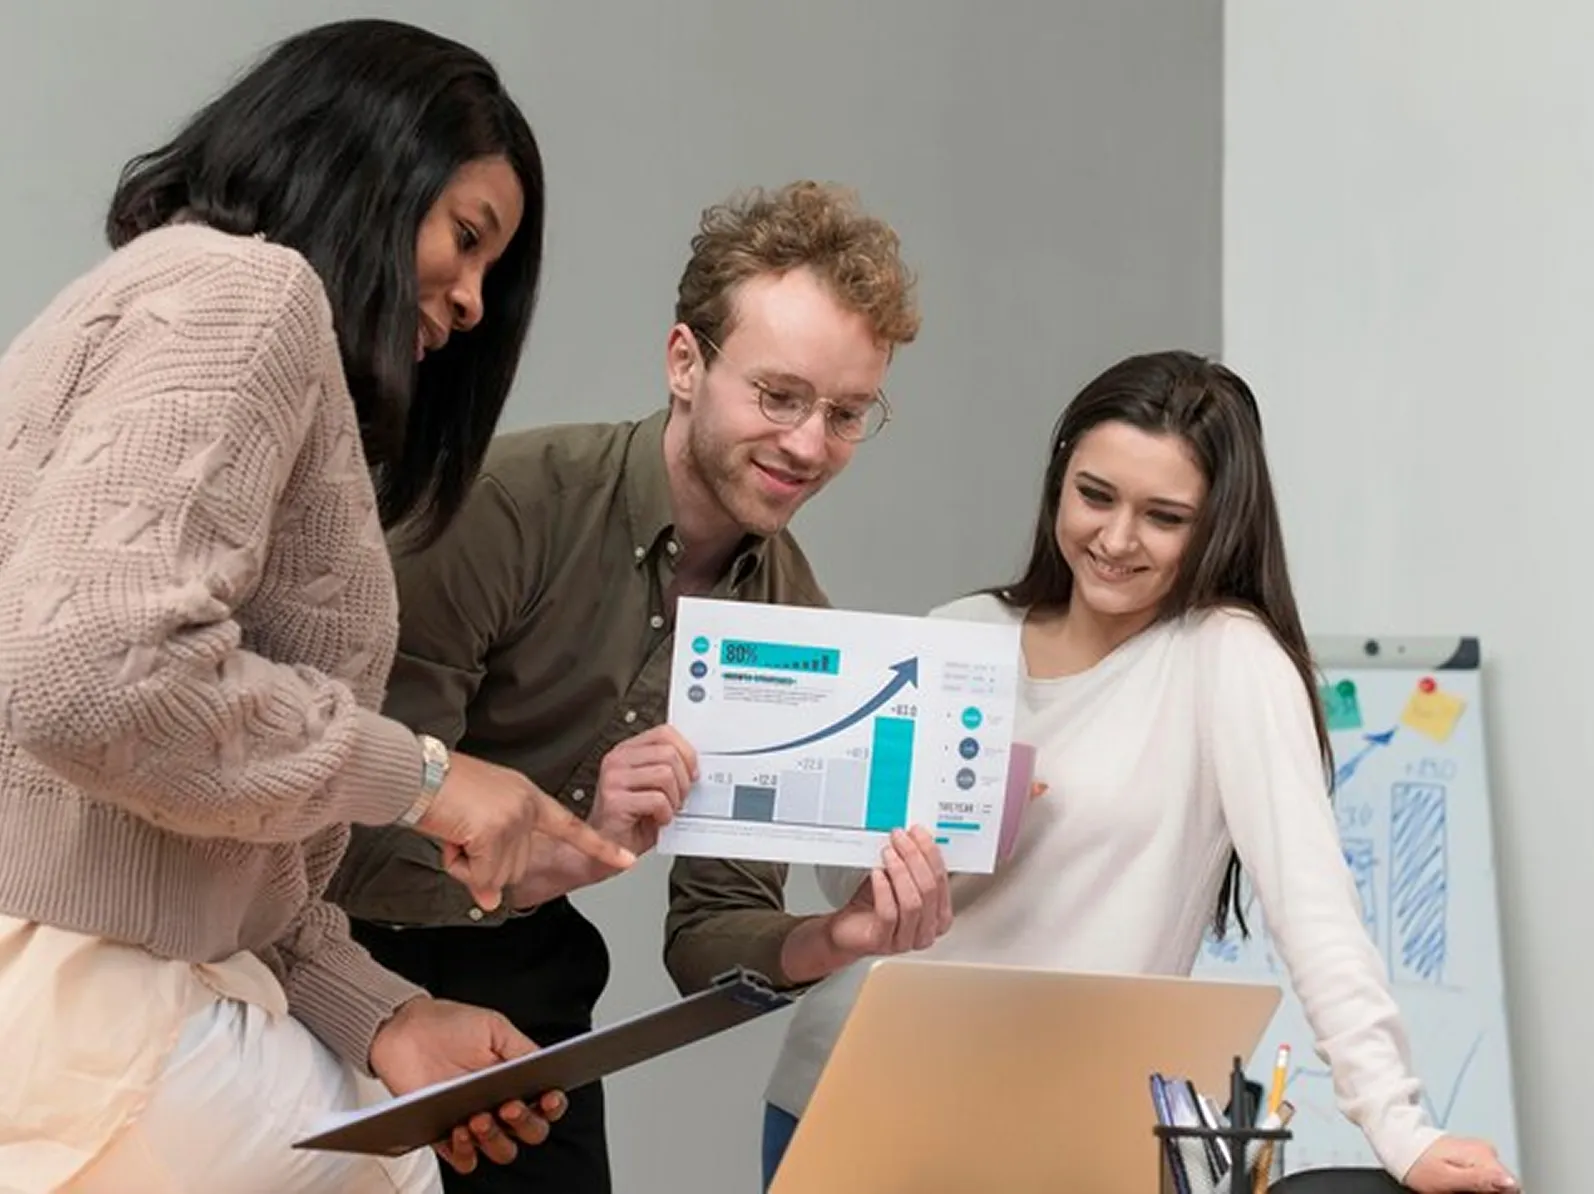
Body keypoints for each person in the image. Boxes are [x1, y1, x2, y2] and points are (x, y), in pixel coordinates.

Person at [0, 19, 637, 1194]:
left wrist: (385, 1018)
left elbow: (189, 815)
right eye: (467, 236)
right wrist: (432, 778)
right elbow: (93, 674)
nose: (475, 299)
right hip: (85, 1006)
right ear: (366, 167)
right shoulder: (250, 291)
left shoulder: (144, 299)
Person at [755, 351, 1521, 1193]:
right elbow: (844, 886)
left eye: (1163, 516)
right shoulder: (963, 632)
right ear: (1059, 481)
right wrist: (939, 837)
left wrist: (1399, 1126)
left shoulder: (1226, 659)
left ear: (1217, 523)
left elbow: (1315, 910)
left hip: (1064, 1125)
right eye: (1095, 495)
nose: (1116, 540)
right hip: (848, 1094)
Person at [327, 179, 956, 1193]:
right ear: (683, 364)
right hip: (333, 960)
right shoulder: (503, 510)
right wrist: (567, 837)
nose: (808, 445)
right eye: (779, 394)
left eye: (846, 413)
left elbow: (710, 938)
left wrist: (839, 937)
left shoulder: (797, 623)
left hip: (525, 980)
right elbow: (343, 821)